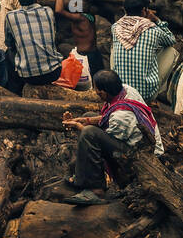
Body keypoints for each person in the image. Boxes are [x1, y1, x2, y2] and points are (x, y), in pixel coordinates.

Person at [61, 69, 162, 205]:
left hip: (143, 156)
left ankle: (95, 190)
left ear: (103, 93)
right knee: (88, 118)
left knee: (88, 133)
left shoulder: (121, 116)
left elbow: (103, 139)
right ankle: (83, 175)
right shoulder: (126, 90)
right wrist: (87, 120)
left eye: (96, 90)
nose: (96, 93)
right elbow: (107, 118)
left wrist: (80, 127)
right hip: (134, 140)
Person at [110, 0, 175, 101]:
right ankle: (156, 94)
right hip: (146, 95)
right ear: (144, 10)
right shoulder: (153, 30)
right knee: (171, 51)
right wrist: (157, 20)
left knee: (114, 48)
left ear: (125, 10)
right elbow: (171, 39)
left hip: (119, 92)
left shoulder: (115, 27)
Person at [4, 0, 62, 91]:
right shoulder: (48, 11)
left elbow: (9, 42)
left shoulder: (11, 16)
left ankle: (15, 91)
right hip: (53, 72)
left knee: (8, 52)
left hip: (28, 76)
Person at [53, 0, 106, 75]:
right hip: (90, 55)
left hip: (88, 56)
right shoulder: (88, 15)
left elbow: (59, 10)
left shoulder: (80, 17)